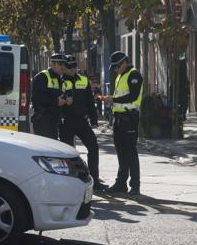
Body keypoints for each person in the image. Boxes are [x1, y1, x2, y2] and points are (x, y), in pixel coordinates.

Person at [59, 55, 109, 191]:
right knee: (66, 153)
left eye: (74, 66)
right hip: (66, 121)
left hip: (81, 120)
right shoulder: (60, 80)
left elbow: (89, 101)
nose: (72, 69)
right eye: (69, 67)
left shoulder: (83, 80)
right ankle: (69, 182)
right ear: (65, 67)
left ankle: (95, 181)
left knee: (93, 147)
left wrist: (94, 120)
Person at [102, 51, 143, 196]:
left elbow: (133, 95)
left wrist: (113, 100)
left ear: (125, 62)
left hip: (129, 118)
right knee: (121, 152)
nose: (115, 69)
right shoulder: (121, 75)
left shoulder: (134, 75)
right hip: (119, 118)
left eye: (117, 66)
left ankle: (135, 185)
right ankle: (121, 183)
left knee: (130, 151)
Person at [32, 53, 70, 139]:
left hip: (54, 120)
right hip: (43, 120)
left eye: (64, 64)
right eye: (60, 64)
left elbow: (58, 94)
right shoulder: (42, 77)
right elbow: (37, 97)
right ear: (52, 64)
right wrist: (56, 101)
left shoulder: (59, 79)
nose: (63, 67)